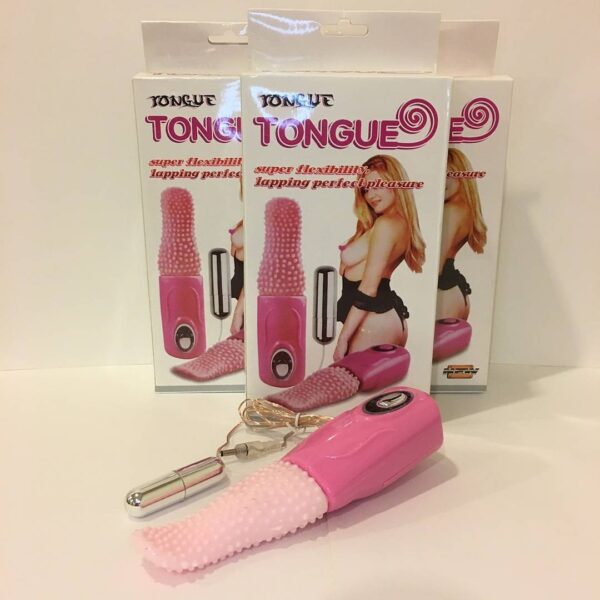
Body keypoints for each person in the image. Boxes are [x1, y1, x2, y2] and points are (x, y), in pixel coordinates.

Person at [334, 155, 425, 361]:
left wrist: (343, 339)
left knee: (350, 379)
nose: (370, 195)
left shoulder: (386, 225)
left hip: (374, 324)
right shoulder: (394, 223)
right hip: (383, 320)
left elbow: (368, 288)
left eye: (377, 185)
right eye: (366, 189)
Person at [436, 148, 487, 320]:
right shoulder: (466, 209)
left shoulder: (451, 211)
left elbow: (436, 267)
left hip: (443, 296)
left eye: (448, 174)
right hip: (454, 293)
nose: (441, 181)